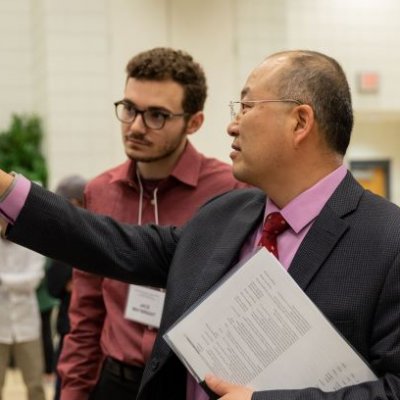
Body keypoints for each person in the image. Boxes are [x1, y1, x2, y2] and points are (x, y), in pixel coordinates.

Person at [0, 49, 400, 400]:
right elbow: (113, 244)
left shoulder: (387, 241)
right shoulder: (225, 213)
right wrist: (8, 192)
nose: (232, 125)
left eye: (246, 107)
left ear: (299, 122)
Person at [58, 47, 245, 400]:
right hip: (115, 381)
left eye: (157, 115)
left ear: (194, 122)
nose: (136, 127)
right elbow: (86, 311)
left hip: (190, 384)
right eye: (129, 109)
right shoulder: (100, 192)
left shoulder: (231, 193)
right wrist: (73, 392)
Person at [45, 175, 87, 400]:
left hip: (95, 335)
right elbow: (53, 285)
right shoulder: (59, 236)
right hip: (67, 330)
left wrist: (75, 282)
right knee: (63, 389)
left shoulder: (96, 233)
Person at [0, 237, 46, 400]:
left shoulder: (32, 242)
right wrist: (17, 281)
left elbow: (33, 280)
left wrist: (2, 280)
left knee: (35, 384)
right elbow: (25, 281)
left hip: (27, 324)